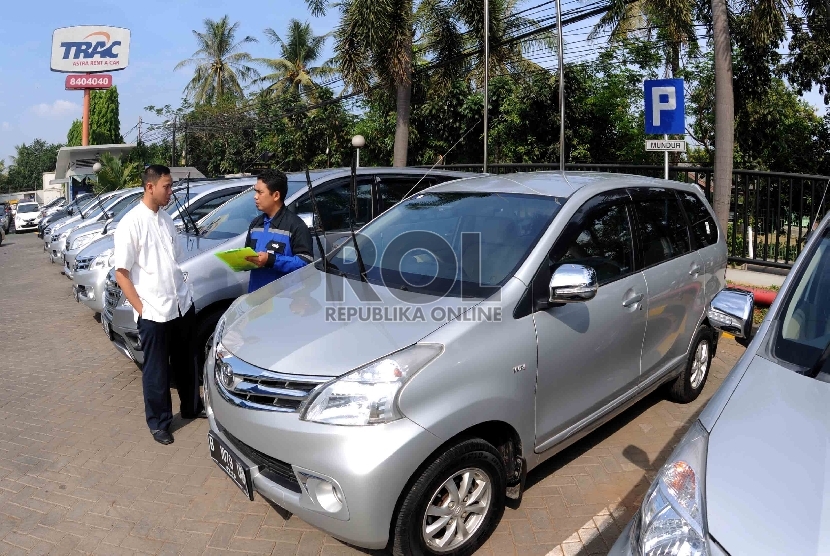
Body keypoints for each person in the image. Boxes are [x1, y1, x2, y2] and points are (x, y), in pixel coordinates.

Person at [113, 165, 204, 446]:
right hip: (154, 311)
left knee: (187, 361)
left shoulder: (166, 220)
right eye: (167, 186)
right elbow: (121, 273)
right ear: (149, 187)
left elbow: (175, 261)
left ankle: (191, 406)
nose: (171, 191)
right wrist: (142, 309)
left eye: (171, 185)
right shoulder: (131, 223)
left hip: (180, 305)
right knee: (156, 371)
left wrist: (185, 295)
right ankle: (159, 422)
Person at [244, 169, 314, 292]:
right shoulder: (255, 224)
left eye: (260, 192)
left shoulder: (296, 225)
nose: (255, 197)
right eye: (255, 192)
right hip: (256, 297)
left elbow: (306, 263)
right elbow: (247, 254)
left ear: (276, 195)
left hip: (284, 299)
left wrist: (271, 260)